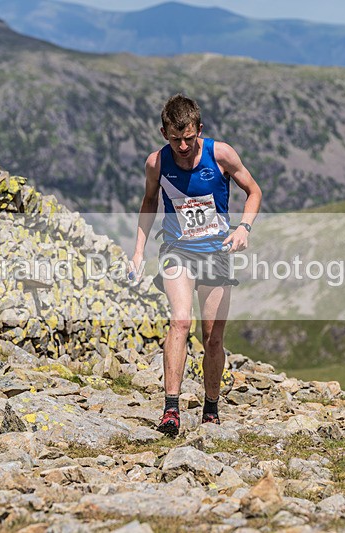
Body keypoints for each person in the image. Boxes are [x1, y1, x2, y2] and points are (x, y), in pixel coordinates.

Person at [131, 94, 262, 437]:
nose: (184, 146)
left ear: (199, 129)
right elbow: (148, 203)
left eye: (189, 138)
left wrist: (244, 228)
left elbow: (254, 192)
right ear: (164, 133)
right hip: (177, 251)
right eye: (176, 139)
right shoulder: (156, 163)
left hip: (217, 253)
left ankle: (211, 408)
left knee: (213, 338)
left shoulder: (221, 154)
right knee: (180, 321)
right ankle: (171, 409)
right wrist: (138, 251)